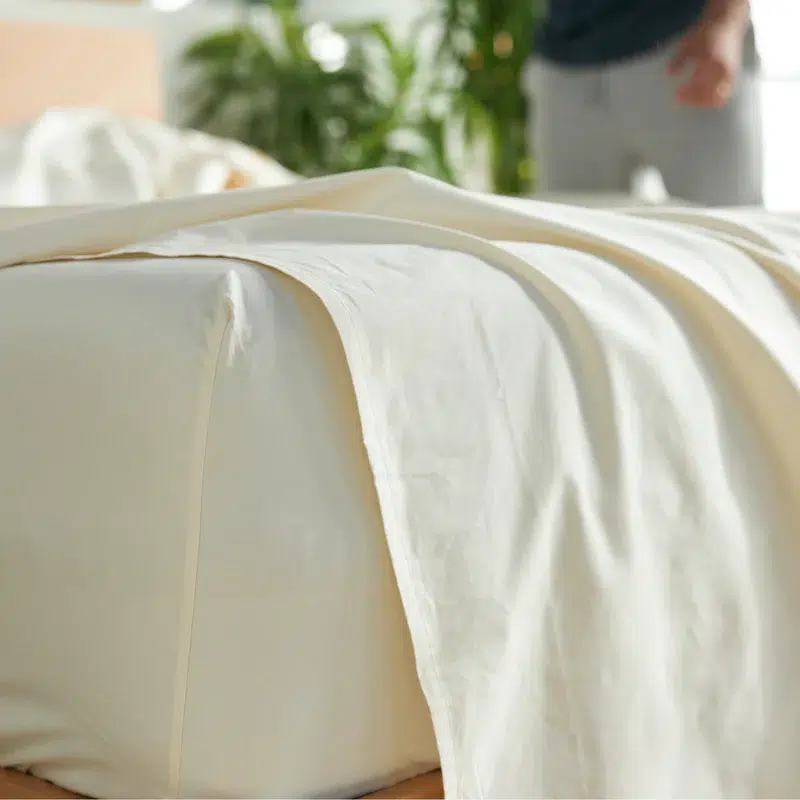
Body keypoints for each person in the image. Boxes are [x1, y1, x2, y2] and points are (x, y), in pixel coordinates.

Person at [527, 0, 763, 205]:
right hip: (566, 62)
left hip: (689, 48)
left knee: (728, 239)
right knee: (573, 244)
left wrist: (724, 19)